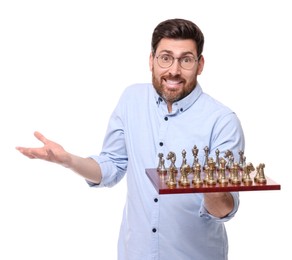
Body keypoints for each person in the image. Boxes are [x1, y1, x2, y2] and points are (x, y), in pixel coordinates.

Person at [16, 18, 245, 260]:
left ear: (200, 65)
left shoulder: (222, 121)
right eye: (165, 57)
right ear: (151, 60)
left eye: (186, 60)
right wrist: (67, 160)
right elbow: (111, 166)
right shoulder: (131, 99)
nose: (174, 70)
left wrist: (210, 189)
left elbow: (224, 210)